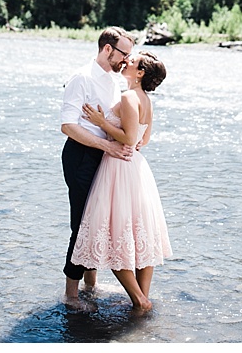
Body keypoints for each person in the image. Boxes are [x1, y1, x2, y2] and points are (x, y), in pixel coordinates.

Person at [70, 50, 172, 312]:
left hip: (117, 166)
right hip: (136, 167)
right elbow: (142, 140)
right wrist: (128, 139)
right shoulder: (145, 100)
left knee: (115, 234)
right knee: (138, 234)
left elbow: (127, 138)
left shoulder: (128, 97)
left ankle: (140, 300)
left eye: (134, 61)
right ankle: (141, 298)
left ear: (140, 73)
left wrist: (101, 122)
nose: (128, 61)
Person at [61, 26, 136, 309]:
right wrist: (108, 146)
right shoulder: (81, 78)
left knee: (97, 222)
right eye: (123, 54)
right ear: (107, 49)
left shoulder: (112, 80)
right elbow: (68, 126)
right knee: (82, 224)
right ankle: (71, 296)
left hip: (102, 156)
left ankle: (90, 286)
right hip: (80, 156)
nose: (127, 61)